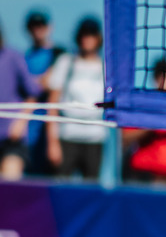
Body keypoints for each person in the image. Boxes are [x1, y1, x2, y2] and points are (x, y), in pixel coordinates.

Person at [46, 16, 106, 180]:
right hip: (67, 136)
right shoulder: (65, 62)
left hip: (95, 138)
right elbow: (52, 104)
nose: (87, 39)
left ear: (98, 38)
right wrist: (52, 142)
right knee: (62, 187)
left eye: (91, 34)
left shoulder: (105, 67)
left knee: (91, 192)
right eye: (84, 34)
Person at [121, 57, 166, 185]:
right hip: (144, 174)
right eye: (161, 76)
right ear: (154, 79)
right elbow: (125, 138)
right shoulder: (143, 102)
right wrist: (154, 123)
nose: (165, 80)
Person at [23, 10, 65, 175]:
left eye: (41, 26)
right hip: (28, 130)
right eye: (34, 26)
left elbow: (49, 84)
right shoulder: (24, 57)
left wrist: (34, 83)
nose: (37, 30)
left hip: (52, 131)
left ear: (49, 27)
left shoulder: (59, 54)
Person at [0, 21, 42, 180]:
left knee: (9, 186)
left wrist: (20, 122)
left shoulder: (13, 57)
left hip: (12, 139)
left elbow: (33, 94)